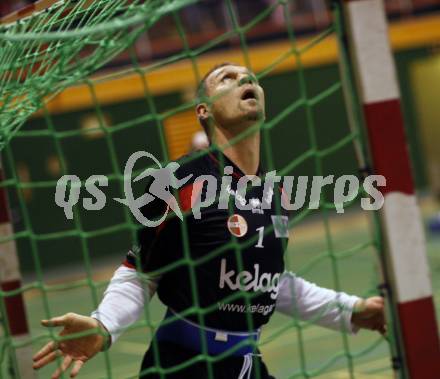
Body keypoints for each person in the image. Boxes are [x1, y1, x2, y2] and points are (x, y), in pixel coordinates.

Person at [32, 63, 385, 379]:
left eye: (250, 77)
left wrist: (350, 310)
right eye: (226, 78)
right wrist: (103, 324)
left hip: (246, 362)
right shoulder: (181, 180)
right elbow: (142, 270)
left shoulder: (274, 193)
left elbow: (270, 285)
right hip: (185, 364)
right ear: (203, 110)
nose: (244, 79)